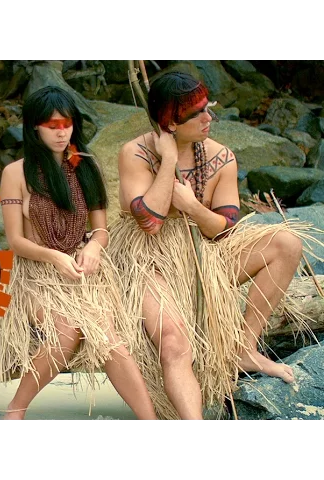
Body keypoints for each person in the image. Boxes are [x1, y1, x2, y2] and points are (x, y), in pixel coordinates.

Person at [108, 70, 317, 420]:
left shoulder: (221, 157)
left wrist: (191, 206)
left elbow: (223, 230)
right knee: (174, 342)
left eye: (209, 108)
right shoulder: (136, 153)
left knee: (286, 243)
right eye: (198, 114)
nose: (210, 118)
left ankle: (244, 347)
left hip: (205, 255)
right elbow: (150, 222)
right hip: (148, 262)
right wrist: (169, 161)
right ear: (170, 124)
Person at [0, 85, 158, 420]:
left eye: (66, 124)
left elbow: (101, 230)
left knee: (108, 338)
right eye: (52, 126)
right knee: (66, 331)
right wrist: (54, 257)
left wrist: (93, 246)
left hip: (82, 268)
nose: (61, 132)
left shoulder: (85, 166)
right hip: (36, 272)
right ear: (34, 127)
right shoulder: (15, 172)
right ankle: (15, 411)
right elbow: (16, 241)